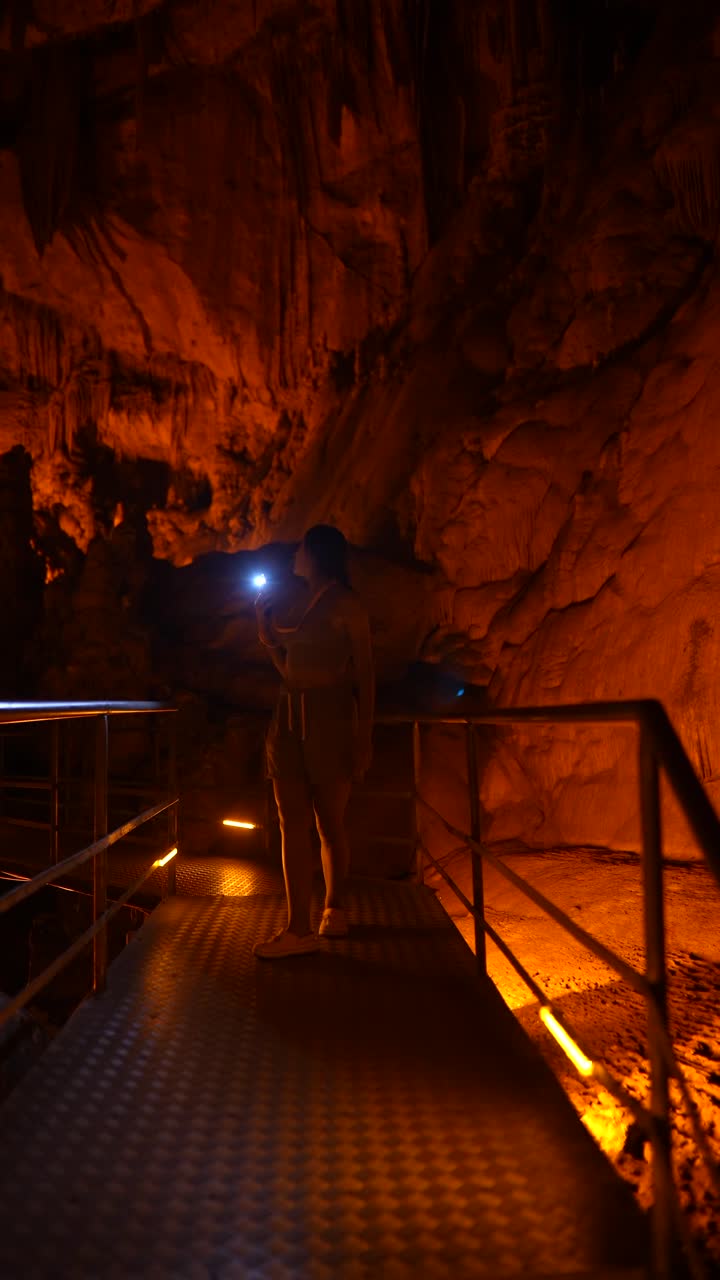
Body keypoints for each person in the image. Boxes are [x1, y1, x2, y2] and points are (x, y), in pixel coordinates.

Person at [253, 525, 375, 959]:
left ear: (318, 555)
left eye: (301, 548)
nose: (295, 555)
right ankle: (297, 928)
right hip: (288, 719)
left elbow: (365, 675)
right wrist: (269, 641)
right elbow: (291, 675)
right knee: (291, 822)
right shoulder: (298, 603)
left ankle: (334, 907)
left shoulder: (347, 604)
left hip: (331, 720)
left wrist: (364, 737)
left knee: (329, 822)